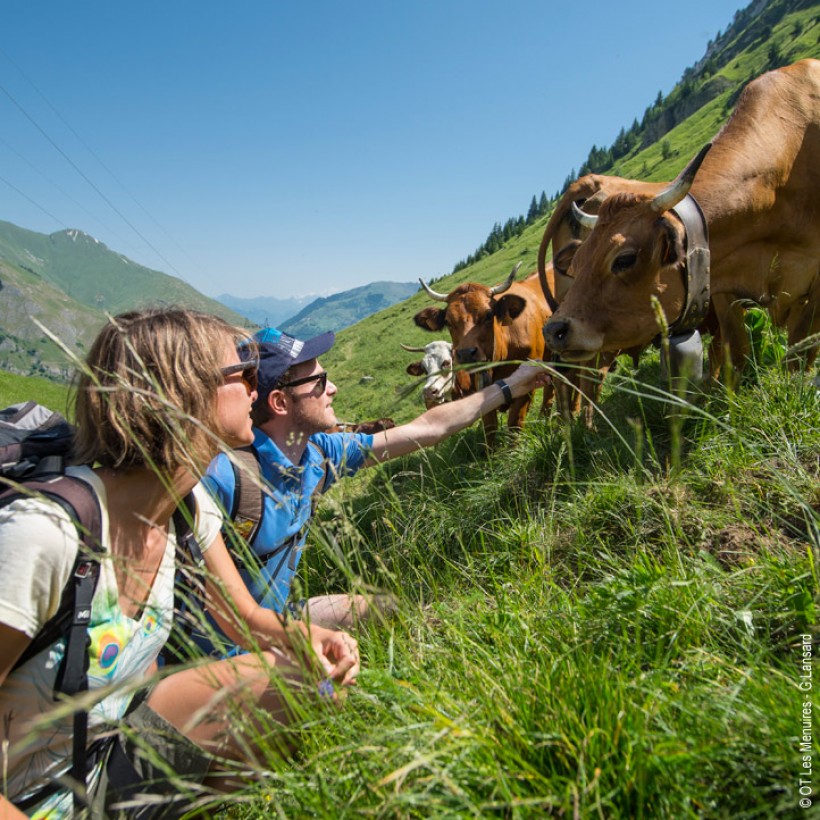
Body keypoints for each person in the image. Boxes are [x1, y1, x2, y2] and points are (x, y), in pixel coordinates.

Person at [0, 309, 359, 819]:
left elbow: (245, 618)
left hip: (105, 754)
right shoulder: (45, 534)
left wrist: (303, 638)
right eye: (244, 374)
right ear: (182, 392)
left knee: (307, 683)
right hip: (29, 800)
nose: (257, 388)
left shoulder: (187, 505)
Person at [203, 326, 548, 650]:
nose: (334, 387)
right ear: (280, 402)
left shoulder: (320, 454)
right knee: (319, 686)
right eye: (320, 382)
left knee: (388, 609)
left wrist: (511, 386)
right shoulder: (225, 478)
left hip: (279, 617)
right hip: (213, 653)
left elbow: (429, 428)